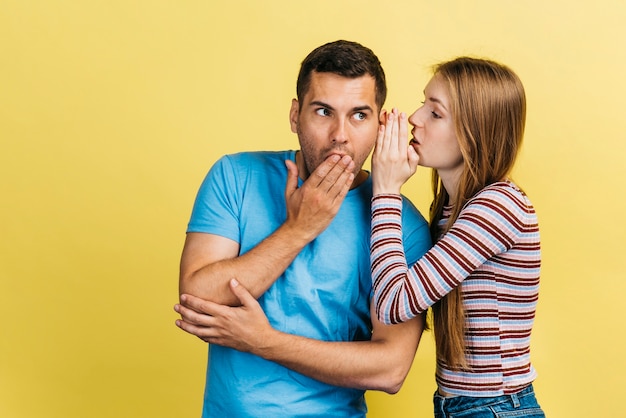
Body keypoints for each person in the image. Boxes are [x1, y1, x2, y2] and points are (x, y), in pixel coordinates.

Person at [174, 40, 432, 417]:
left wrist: (264, 342)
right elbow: (197, 298)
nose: (339, 135)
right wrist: (299, 229)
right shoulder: (235, 176)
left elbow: (390, 368)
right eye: (323, 111)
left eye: (359, 115)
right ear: (296, 115)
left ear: (380, 125)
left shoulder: (400, 224)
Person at [369, 57, 545, 417]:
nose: (415, 118)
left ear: (473, 132)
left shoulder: (498, 206)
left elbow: (392, 303)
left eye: (435, 113)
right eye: (423, 103)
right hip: (463, 406)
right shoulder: (452, 210)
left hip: (495, 408)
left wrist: (385, 189)